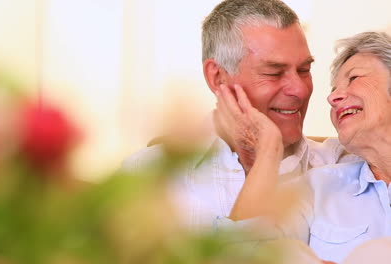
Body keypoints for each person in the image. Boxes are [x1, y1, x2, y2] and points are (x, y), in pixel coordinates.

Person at [123, 0, 355, 230]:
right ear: (217, 78)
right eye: (274, 73)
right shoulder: (147, 176)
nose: (300, 89)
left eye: (304, 70)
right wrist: (267, 154)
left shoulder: (344, 168)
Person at [218, 31, 391, 264]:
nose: (333, 98)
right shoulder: (317, 188)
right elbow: (239, 256)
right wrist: (269, 150)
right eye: (332, 91)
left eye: (354, 78)